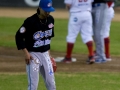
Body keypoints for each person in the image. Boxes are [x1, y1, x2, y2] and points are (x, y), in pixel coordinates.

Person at [15, 0, 56, 90]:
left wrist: (49, 56)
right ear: (39, 8)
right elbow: (18, 36)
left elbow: (48, 38)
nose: (48, 12)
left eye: (49, 10)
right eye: (45, 10)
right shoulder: (30, 21)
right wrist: (26, 53)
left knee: (52, 84)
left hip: (45, 55)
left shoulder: (51, 20)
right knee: (33, 85)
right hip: (33, 56)